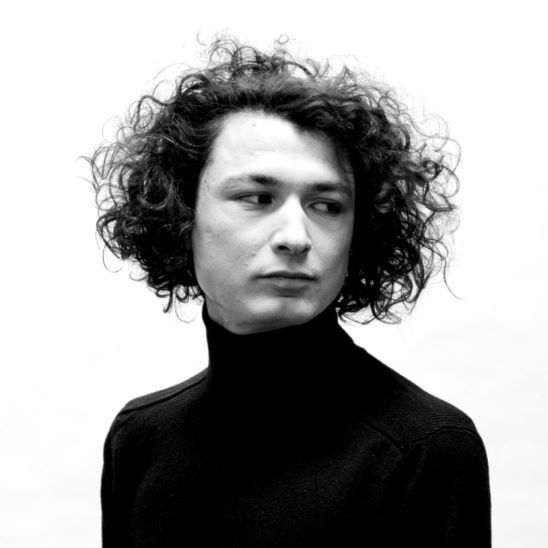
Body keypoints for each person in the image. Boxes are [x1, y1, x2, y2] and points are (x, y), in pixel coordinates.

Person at [88, 36, 491, 547]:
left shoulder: (424, 448)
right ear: (180, 213)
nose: (296, 238)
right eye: (258, 198)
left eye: (327, 206)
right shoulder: (140, 438)